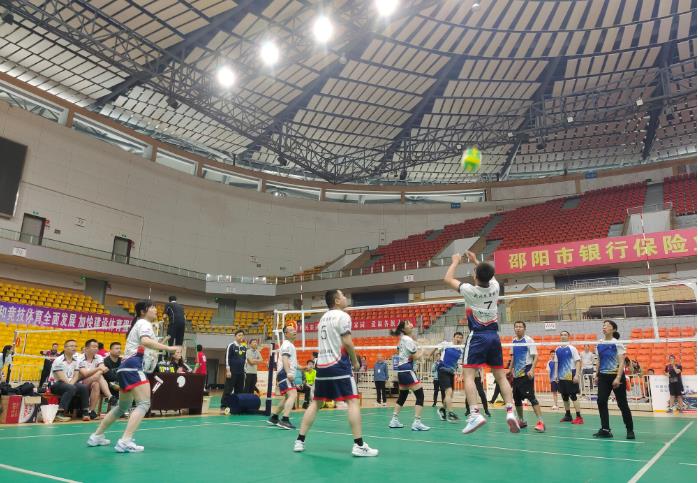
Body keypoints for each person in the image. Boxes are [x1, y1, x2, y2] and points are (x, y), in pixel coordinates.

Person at [294, 289, 378, 457]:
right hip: (338, 365)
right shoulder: (343, 316)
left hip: (322, 367)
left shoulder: (323, 318)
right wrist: (355, 361)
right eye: (343, 296)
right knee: (352, 401)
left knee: (316, 403)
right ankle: (359, 445)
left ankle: (299, 441)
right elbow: (347, 342)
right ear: (337, 301)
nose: (346, 298)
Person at [444, 250, 519, 435]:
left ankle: (475, 414)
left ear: (475, 276)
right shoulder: (495, 287)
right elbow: (488, 274)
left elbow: (447, 279)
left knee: (468, 375)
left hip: (477, 336)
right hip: (494, 336)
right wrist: (476, 260)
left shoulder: (470, 290)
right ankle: (511, 412)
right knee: (501, 376)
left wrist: (455, 261)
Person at [87, 300, 178, 452]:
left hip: (125, 368)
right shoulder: (144, 323)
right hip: (134, 367)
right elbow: (145, 341)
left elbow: (147, 346)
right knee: (144, 404)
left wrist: (162, 344)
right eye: (152, 307)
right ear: (143, 311)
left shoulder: (139, 324)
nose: (156, 310)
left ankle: (96, 436)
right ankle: (125, 441)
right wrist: (168, 348)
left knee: (122, 407)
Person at [594, 320, 635, 439]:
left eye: (607, 325)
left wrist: (617, 378)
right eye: (603, 325)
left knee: (622, 404)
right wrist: (596, 375)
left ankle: (630, 430)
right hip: (603, 376)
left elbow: (622, 362)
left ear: (614, 329)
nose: (604, 327)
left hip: (616, 376)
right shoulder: (599, 343)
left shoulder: (617, 343)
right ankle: (605, 429)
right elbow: (599, 360)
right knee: (601, 401)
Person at [388, 320, 430, 431]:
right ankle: (417, 422)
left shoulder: (402, 339)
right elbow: (415, 356)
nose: (411, 324)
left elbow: (401, 351)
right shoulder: (408, 340)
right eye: (408, 324)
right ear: (403, 329)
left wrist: (417, 343)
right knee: (420, 395)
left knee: (403, 395)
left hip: (401, 370)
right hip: (407, 369)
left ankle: (394, 420)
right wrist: (422, 350)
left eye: (410, 323)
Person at [510, 321, 545, 432]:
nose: (518, 328)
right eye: (516, 327)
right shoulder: (513, 341)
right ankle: (521, 421)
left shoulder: (529, 340)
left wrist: (532, 369)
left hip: (526, 373)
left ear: (524, 328)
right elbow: (513, 357)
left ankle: (541, 422)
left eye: (520, 327)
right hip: (516, 375)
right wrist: (509, 370)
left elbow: (536, 356)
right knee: (516, 398)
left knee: (531, 397)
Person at [48, 339, 90, 422]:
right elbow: (61, 377)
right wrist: (71, 385)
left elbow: (76, 375)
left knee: (84, 387)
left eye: (75, 346)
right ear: (65, 348)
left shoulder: (77, 360)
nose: (74, 348)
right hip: (56, 384)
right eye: (71, 346)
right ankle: (59, 413)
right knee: (71, 388)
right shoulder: (58, 360)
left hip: (70, 383)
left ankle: (85, 412)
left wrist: (71, 384)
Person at [268, 326, 299, 429]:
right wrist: (289, 373)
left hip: (285, 373)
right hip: (285, 373)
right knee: (293, 394)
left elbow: (291, 362)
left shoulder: (290, 345)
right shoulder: (286, 345)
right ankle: (285, 420)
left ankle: (274, 417)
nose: (294, 331)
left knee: (287, 397)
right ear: (286, 334)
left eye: (294, 329)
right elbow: (285, 359)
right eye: (291, 330)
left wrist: (303, 368)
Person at [431, 332, 464, 422]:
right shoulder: (446, 344)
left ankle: (442, 409)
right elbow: (436, 347)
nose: (459, 339)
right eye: (457, 337)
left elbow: (459, 363)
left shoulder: (461, 350)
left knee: (450, 394)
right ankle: (450, 413)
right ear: (453, 338)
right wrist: (430, 354)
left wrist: (461, 374)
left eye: (460, 338)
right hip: (442, 369)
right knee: (448, 391)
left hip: (451, 372)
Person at [77, 338, 112, 419]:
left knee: (96, 384)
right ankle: (109, 396)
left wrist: (97, 374)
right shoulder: (79, 358)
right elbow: (85, 374)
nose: (96, 348)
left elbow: (102, 368)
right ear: (86, 348)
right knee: (99, 376)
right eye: (93, 347)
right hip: (81, 382)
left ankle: (91, 411)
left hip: (94, 380)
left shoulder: (99, 357)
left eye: (97, 347)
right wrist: (98, 369)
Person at [554, 331, 583, 425]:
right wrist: (555, 375)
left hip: (570, 374)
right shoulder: (557, 349)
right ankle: (568, 415)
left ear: (568, 336)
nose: (563, 336)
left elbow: (578, 361)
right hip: (561, 376)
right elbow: (556, 363)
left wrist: (577, 375)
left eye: (565, 335)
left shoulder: (572, 348)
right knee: (564, 396)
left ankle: (579, 417)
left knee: (573, 396)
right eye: (561, 335)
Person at [221, 329, 247, 413]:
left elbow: (244, 360)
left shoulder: (244, 347)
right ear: (235, 336)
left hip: (241, 372)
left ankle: (236, 406)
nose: (241, 337)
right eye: (239, 335)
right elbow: (227, 358)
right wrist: (228, 370)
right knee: (228, 389)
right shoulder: (231, 346)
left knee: (239, 390)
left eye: (242, 335)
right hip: (232, 372)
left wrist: (245, 371)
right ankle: (223, 406)